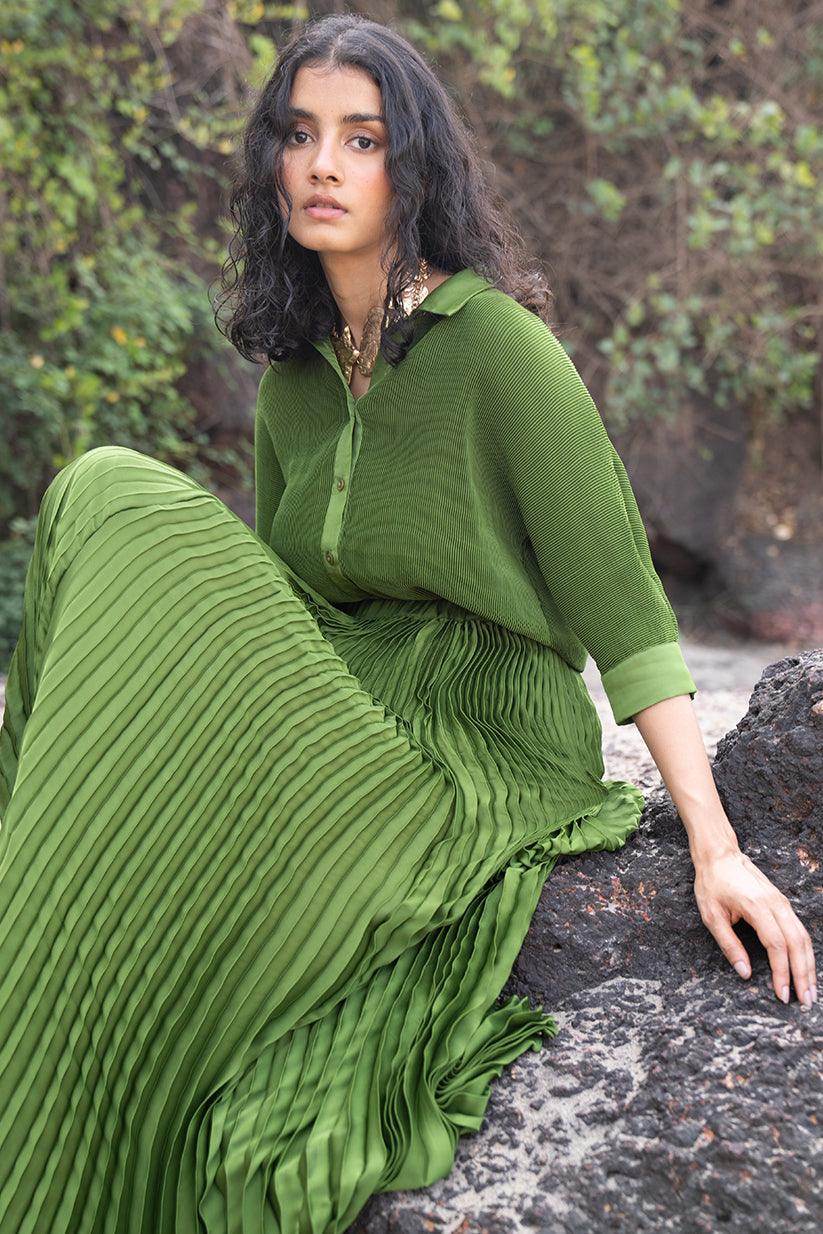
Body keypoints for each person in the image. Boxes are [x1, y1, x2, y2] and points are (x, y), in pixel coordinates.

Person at [0, 11, 815, 1233]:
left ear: (413, 167)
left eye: (362, 139)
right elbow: (284, 601)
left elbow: (627, 612)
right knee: (96, 503)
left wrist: (714, 842)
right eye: (299, 134)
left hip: (479, 730)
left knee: (111, 481)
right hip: (349, 695)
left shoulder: (500, 349)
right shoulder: (291, 377)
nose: (322, 165)